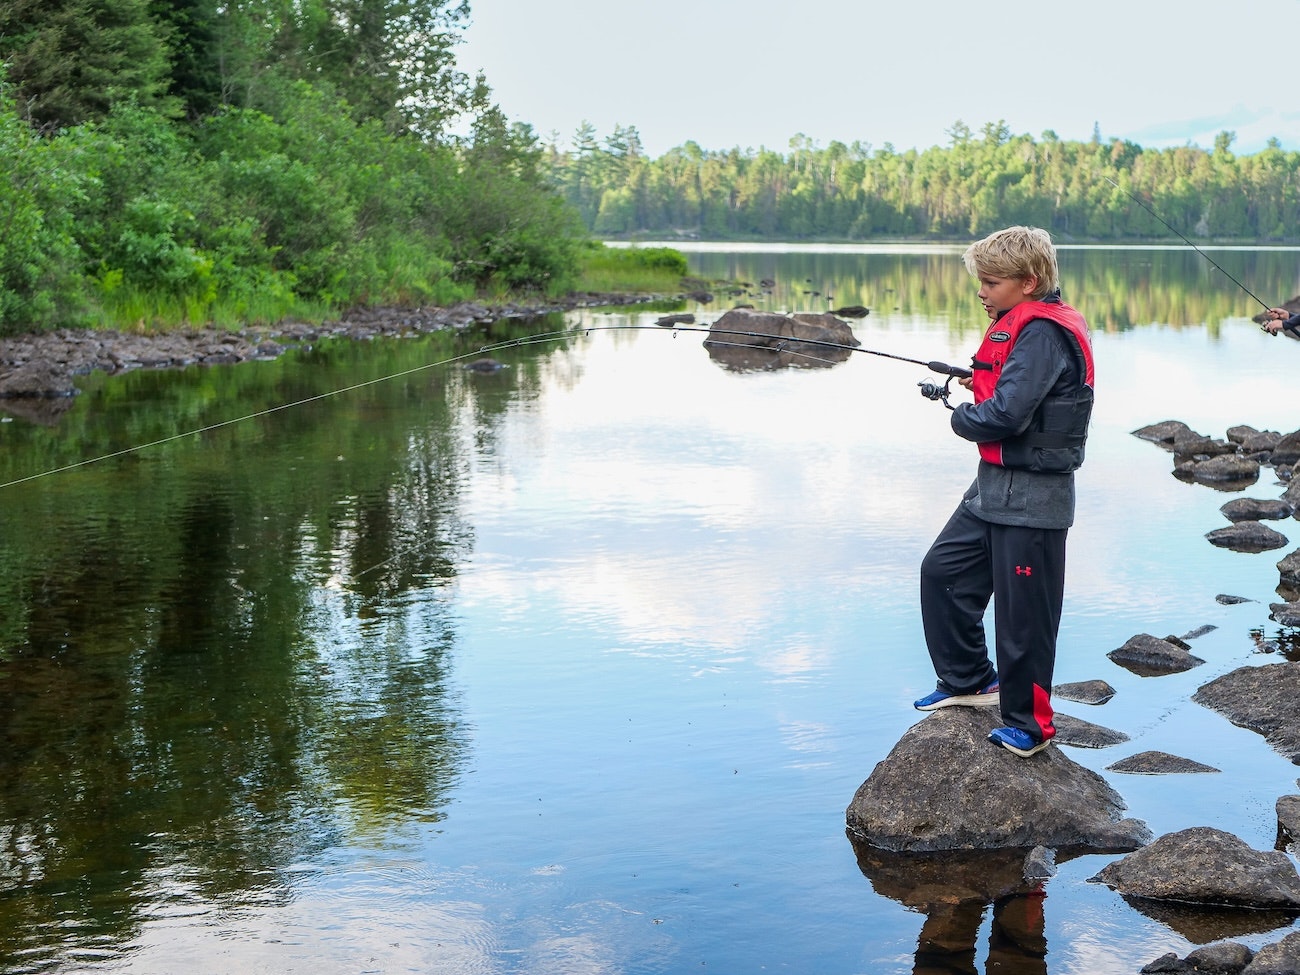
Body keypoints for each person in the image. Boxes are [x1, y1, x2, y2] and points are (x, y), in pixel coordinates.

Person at [912, 226, 1095, 758]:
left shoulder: (1043, 333)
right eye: (980, 281)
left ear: (1029, 282)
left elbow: (1008, 415)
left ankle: (1030, 725)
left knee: (1023, 619)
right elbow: (1016, 391)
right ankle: (969, 681)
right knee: (943, 573)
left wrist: (962, 416)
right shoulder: (1020, 325)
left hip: (1035, 498)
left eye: (991, 282)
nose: (981, 291)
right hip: (992, 488)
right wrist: (983, 384)